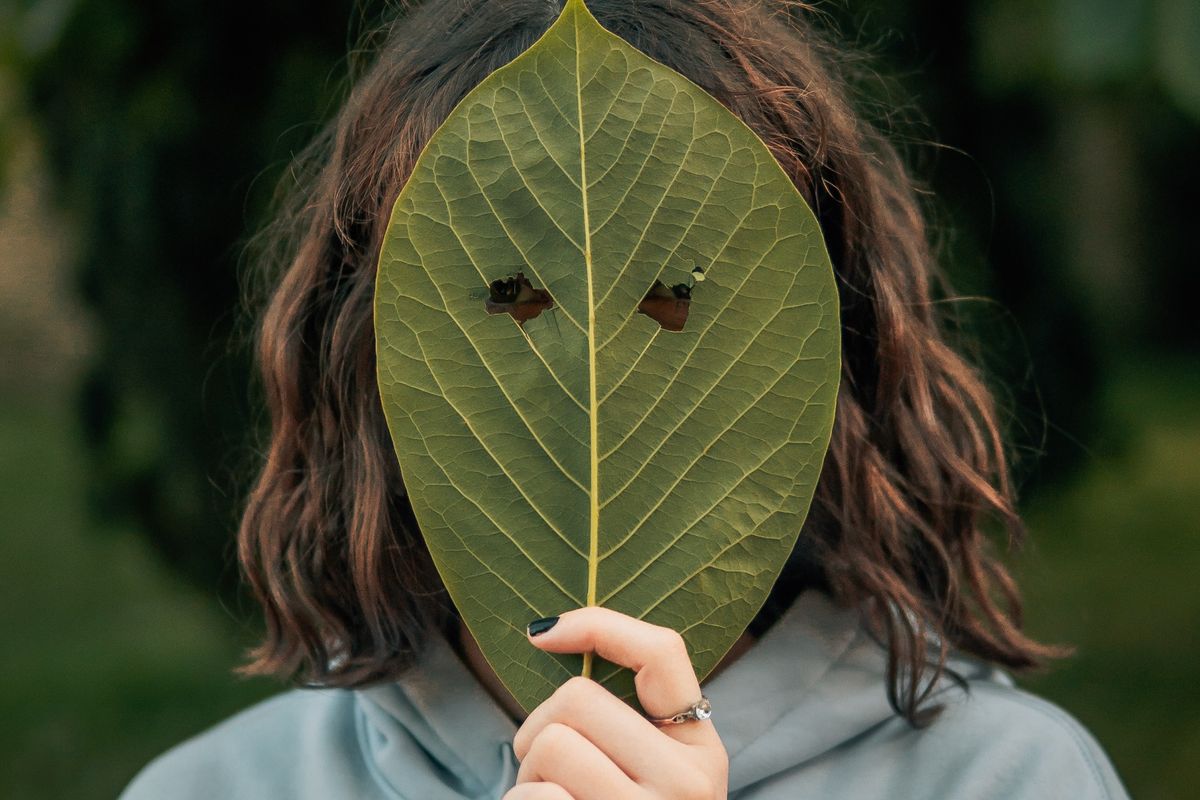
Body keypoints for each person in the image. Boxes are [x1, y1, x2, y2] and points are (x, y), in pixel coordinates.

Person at [120, 1, 1130, 797]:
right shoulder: (213, 787)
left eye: (676, 298)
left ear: (829, 348)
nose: (592, 363)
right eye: (509, 296)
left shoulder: (1010, 779)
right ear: (370, 354)